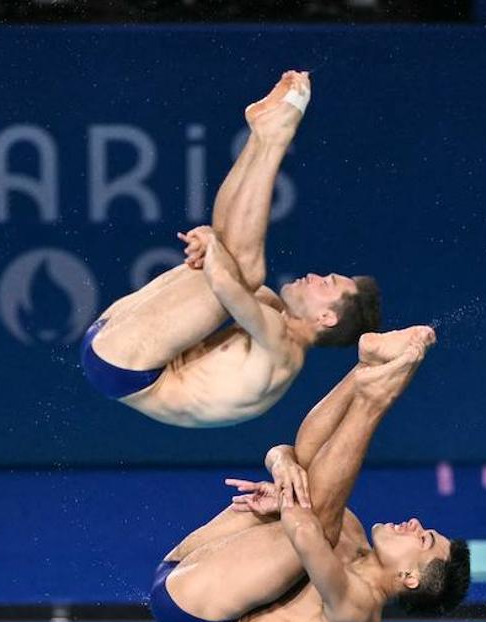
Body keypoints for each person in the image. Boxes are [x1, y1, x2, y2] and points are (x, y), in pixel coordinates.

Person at [149, 326, 471, 622]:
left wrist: (285, 498)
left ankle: (373, 401)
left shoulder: (360, 615)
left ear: (410, 577)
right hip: (181, 566)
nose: (416, 523)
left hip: (198, 612)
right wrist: (281, 467)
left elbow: (306, 534)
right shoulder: (352, 530)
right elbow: (287, 455)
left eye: (424, 539)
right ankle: (365, 367)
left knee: (317, 521)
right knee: (306, 483)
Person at [80, 71, 380, 428]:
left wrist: (209, 243)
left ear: (326, 319)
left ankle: (273, 138)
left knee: (245, 271)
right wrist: (211, 243)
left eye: (328, 283)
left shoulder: (284, 352)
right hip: (116, 342)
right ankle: (263, 138)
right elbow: (226, 270)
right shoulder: (270, 308)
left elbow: (226, 286)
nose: (315, 276)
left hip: (126, 365)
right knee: (239, 266)